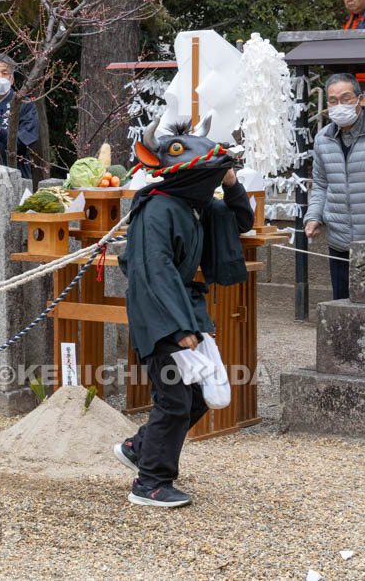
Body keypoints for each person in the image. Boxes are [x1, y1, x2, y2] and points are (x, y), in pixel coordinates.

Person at [112, 116, 253, 507]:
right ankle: (150, 483)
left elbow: (241, 221)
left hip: (183, 309)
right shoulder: (157, 210)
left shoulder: (196, 205)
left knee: (195, 399)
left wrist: (231, 182)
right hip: (157, 314)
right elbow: (152, 271)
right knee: (174, 399)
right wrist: (177, 328)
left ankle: (140, 448)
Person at [304, 73, 365, 300]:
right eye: (333, 100)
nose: (339, 105)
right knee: (342, 305)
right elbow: (321, 184)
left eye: (345, 98)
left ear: (359, 99)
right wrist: (314, 216)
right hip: (340, 241)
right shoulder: (323, 138)